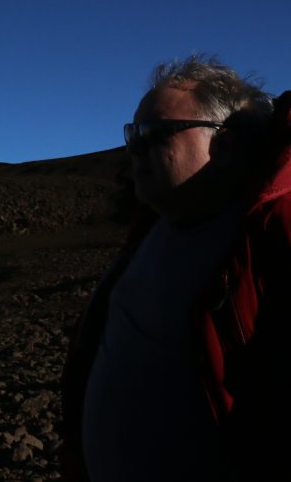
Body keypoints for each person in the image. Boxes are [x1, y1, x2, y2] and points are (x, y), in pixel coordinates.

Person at [61, 55, 291, 481]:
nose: (135, 149)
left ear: (223, 144)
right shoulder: (152, 222)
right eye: (133, 133)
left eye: (154, 133)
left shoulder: (270, 237)